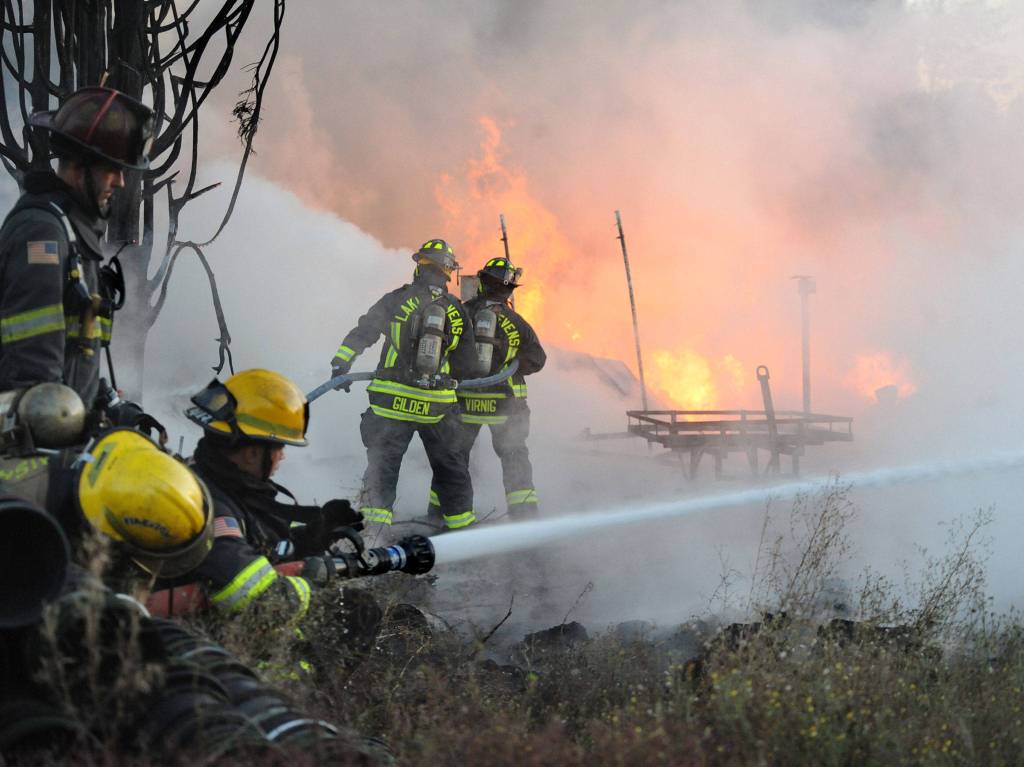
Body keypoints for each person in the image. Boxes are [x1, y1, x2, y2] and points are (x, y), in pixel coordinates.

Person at [0, 86, 153, 408]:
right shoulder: (42, 235)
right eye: (112, 169)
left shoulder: (70, 232)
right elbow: (33, 370)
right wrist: (63, 424)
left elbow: (70, 352)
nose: (121, 182)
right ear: (80, 167)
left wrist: (103, 402)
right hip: (32, 444)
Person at [175, 368, 367, 625]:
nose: (283, 457)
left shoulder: (221, 483)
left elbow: (257, 551)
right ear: (253, 453)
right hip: (210, 642)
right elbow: (253, 593)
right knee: (357, 614)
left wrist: (312, 537)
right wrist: (315, 585)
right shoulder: (209, 504)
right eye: (280, 447)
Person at [329, 239, 479, 531]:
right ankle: (460, 533)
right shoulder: (456, 310)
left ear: (419, 267)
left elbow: (364, 332)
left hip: (391, 402)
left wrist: (340, 365)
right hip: (435, 405)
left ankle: (373, 536)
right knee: (451, 470)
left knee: (382, 470)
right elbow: (469, 364)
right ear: (448, 272)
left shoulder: (396, 300)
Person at [428, 257, 546, 521]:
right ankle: (525, 517)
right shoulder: (516, 322)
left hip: (465, 402)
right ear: (509, 290)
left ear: (482, 282)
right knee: (514, 456)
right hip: (505, 405)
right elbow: (538, 360)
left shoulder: (461, 312)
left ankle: (439, 514)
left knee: (453, 458)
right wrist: (512, 361)